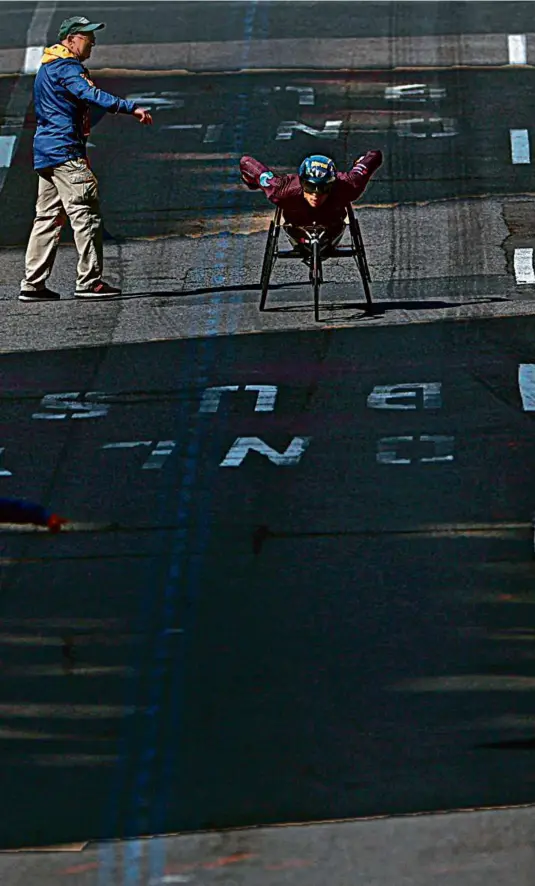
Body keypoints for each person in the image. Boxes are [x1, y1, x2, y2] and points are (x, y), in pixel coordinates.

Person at [19, 15, 153, 303]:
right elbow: (88, 94)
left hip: (46, 152)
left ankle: (33, 283)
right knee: (86, 215)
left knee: (47, 218)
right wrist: (130, 108)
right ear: (70, 40)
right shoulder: (67, 68)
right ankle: (89, 282)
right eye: (86, 38)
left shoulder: (47, 67)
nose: (92, 43)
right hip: (66, 153)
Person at [240, 150, 382, 252]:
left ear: (332, 185)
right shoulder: (282, 190)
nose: (316, 194)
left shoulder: (348, 185)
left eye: (323, 188)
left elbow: (374, 156)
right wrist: (251, 181)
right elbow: (246, 162)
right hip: (296, 226)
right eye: (310, 186)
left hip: (333, 225)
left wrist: (361, 161)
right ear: (302, 183)